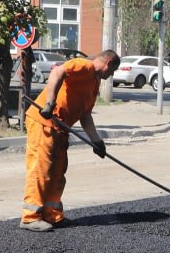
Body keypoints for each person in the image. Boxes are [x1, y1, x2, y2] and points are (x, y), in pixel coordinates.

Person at [20, 49, 120, 231]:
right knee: (41, 169)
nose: (110, 75)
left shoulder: (93, 84)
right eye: (112, 72)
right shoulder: (85, 66)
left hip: (60, 128)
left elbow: (85, 115)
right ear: (108, 63)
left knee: (58, 172)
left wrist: (96, 141)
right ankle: (30, 217)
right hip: (44, 121)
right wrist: (50, 103)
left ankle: (53, 215)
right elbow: (58, 71)